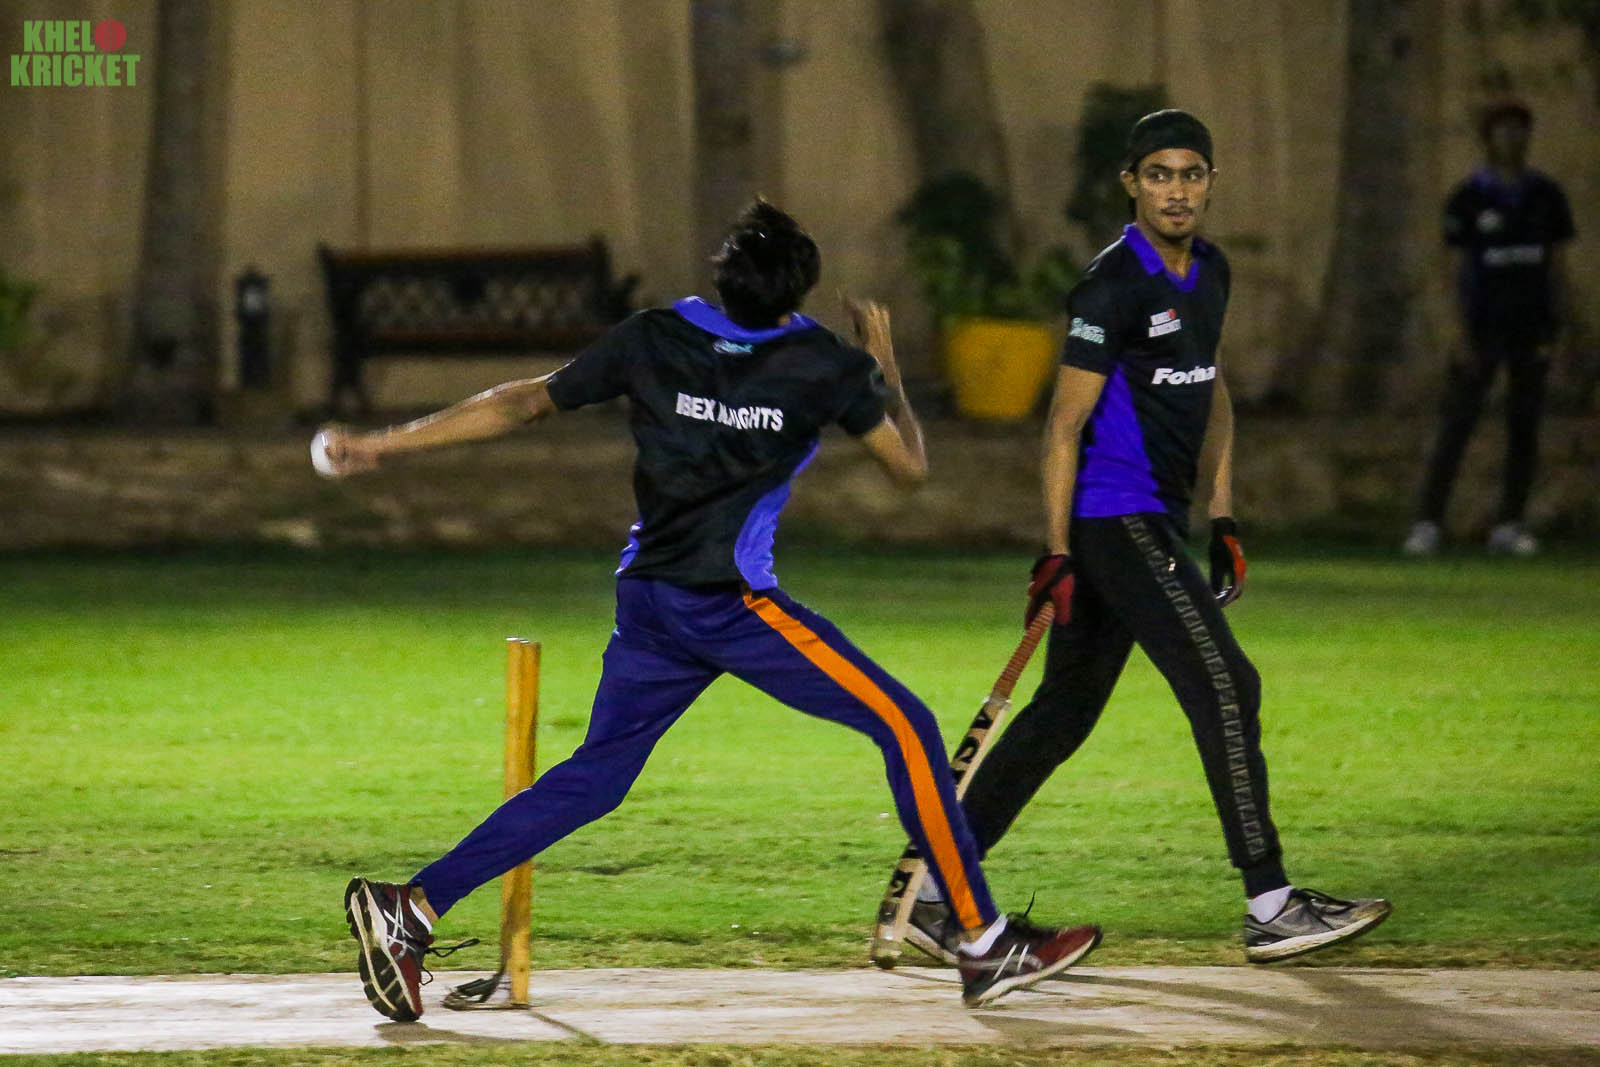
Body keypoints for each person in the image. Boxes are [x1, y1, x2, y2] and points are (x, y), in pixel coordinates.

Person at [316, 201, 1100, 1021]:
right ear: (801, 289)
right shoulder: (822, 362)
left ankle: (412, 908)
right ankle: (981, 939)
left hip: (649, 599)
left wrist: (381, 443)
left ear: (722, 277)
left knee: (596, 778)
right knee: (906, 724)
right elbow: (908, 469)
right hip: (729, 606)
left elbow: (521, 402)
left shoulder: (656, 334)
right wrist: (887, 373)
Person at [903, 111, 1391, 967]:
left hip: (1155, 519)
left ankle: (938, 893)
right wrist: (1056, 551)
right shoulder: (1110, 286)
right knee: (1227, 682)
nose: (1176, 190)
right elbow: (1062, 427)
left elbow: (1211, 388)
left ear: (1210, 182)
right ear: (1131, 183)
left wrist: (1223, 515)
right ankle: (1272, 903)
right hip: (1111, 518)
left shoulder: (1212, 272)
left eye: (1191, 173)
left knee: (1063, 713)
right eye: (1159, 174)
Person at [1404, 100, 1575, 557]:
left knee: (1524, 426)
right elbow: (1449, 269)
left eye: (1519, 130)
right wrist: (1456, 332)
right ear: (1489, 138)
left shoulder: (1545, 195)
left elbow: (1558, 267)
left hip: (1532, 326)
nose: (1512, 138)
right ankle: (1427, 523)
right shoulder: (1470, 198)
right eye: (1503, 130)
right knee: (1458, 424)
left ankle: (1509, 524)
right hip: (1481, 327)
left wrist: (1561, 326)